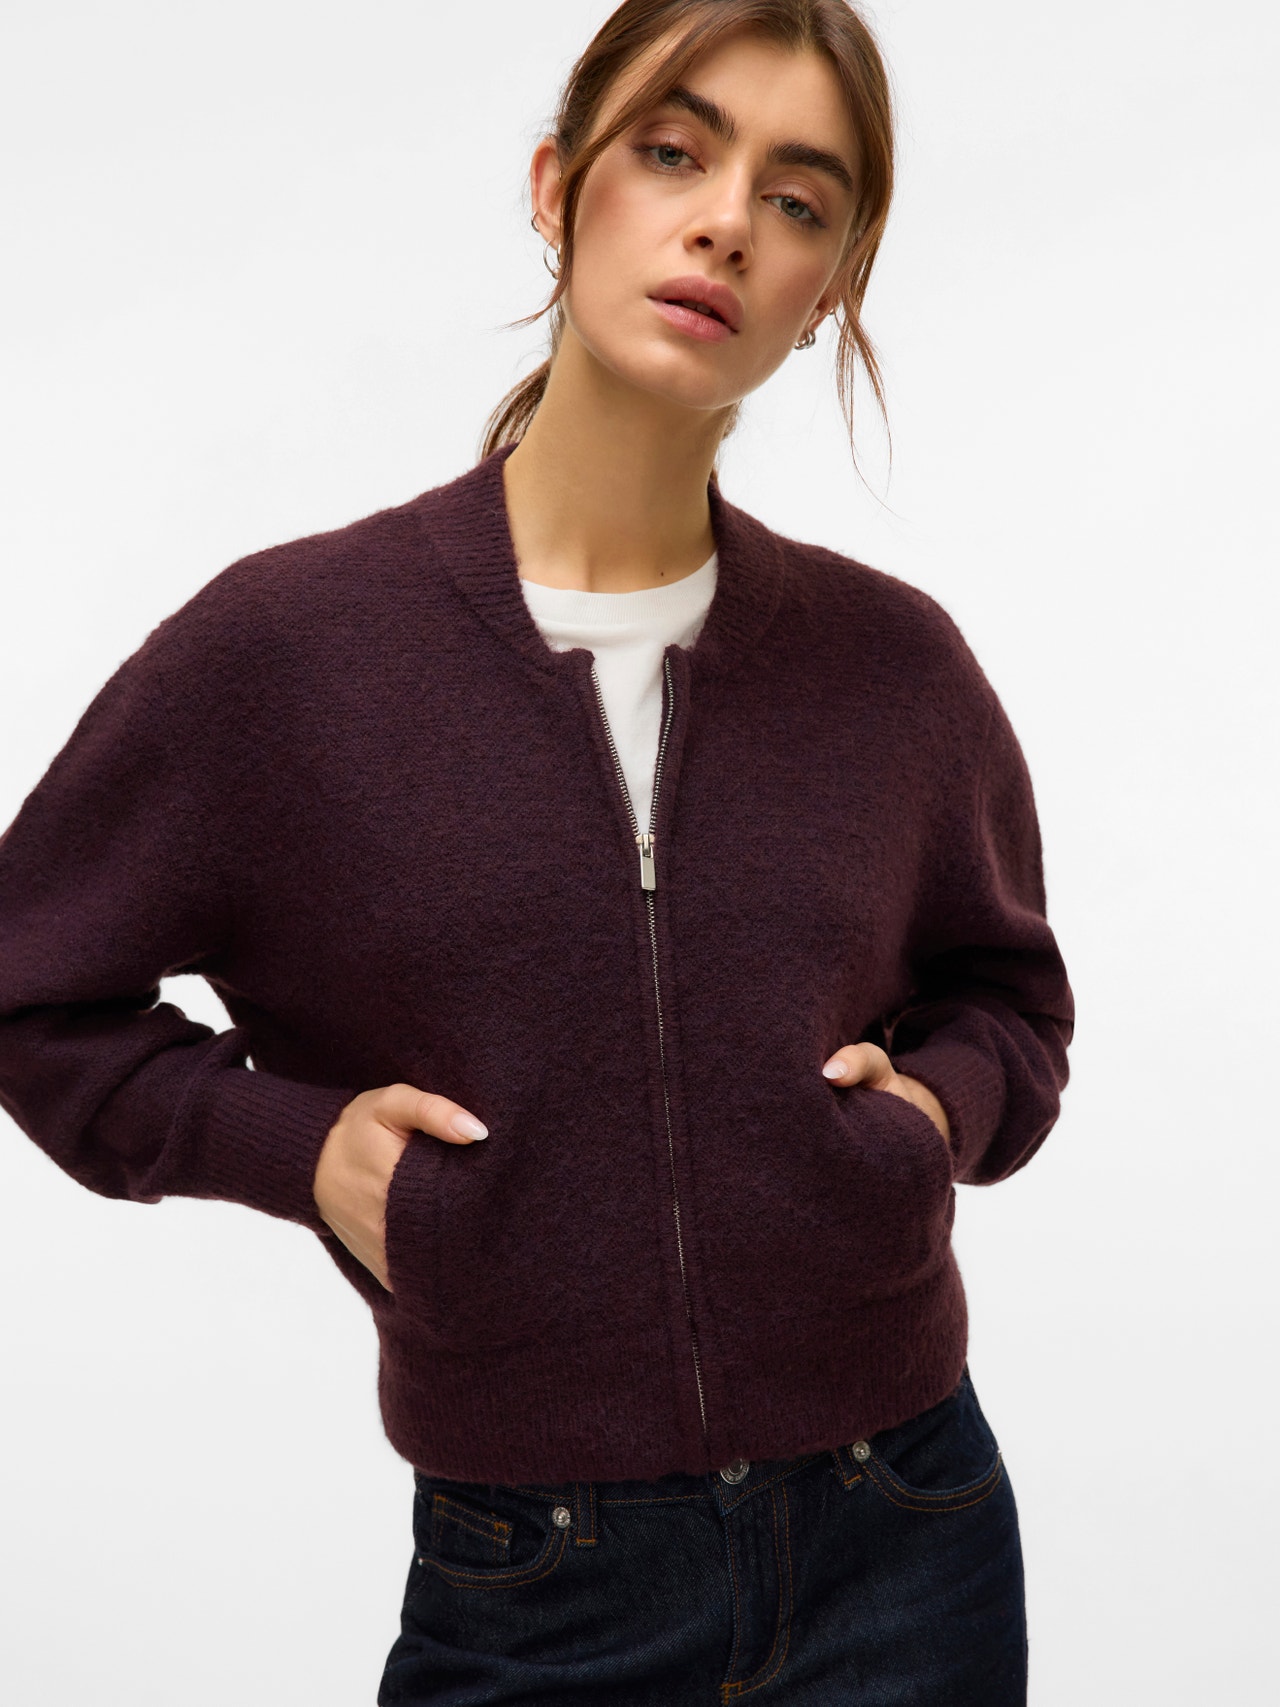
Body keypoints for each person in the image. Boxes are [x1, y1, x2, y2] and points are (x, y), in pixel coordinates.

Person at [0, 1, 1074, 1701]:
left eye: (799, 199)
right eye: (676, 151)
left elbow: (1012, 1000)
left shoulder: (895, 668)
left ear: (827, 292)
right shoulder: (289, 654)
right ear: (558, 187)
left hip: (909, 1535)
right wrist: (300, 1149)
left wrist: (938, 1113)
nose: (727, 221)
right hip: (534, 1581)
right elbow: (29, 991)